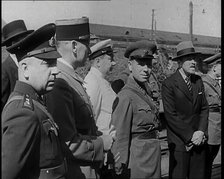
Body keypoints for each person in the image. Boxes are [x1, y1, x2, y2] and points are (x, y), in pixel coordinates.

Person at [44, 17, 113, 179]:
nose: (89, 50)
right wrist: (101, 143)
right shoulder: (61, 81)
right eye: (87, 43)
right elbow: (69, 143)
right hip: (77, 172)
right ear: (74, 46)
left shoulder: (69, 77)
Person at [2, 23, 67, 179]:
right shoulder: (23, 113)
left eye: (55, 63)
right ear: (25, 69)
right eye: (48, 64)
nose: (56, 71)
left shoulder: (35, 102)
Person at [111, 40, 161, 179]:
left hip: (153, 155)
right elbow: (120, 135)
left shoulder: (147, 91)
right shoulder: (125, 96)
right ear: (130, 66)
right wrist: (119, 165)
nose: (146, 69)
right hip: (138, 160)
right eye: (141, 64)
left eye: (149, 65)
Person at [161, 41, 209, 179]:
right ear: (180, 62)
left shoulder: (198, 80)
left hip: (199, 141)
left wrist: (200, 132)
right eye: (189, 59)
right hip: (180, 143)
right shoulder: (169, 84)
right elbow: (171, 115)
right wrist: (191, 136)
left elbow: (204, 108)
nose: (193, 62)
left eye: (194, 59)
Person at [84, 39, 117, 178]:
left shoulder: (101, 80)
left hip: (108, 149)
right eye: (110, 59)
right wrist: (100, 147)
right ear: (98, 62)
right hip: (102, 152)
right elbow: (91, 119)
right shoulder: (92, 81)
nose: (113, 63)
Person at [1, 19, 34, 111]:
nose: (28, 44)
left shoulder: (27, 64)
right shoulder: (4, 71)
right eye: (24, 40)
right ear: (13, 44)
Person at [201, 53, 221, 179]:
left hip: (217, 127)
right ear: (214, 68)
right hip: (209, 128)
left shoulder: (215, 83)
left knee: (210, 159)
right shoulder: (203, 83)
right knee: (206, 161)